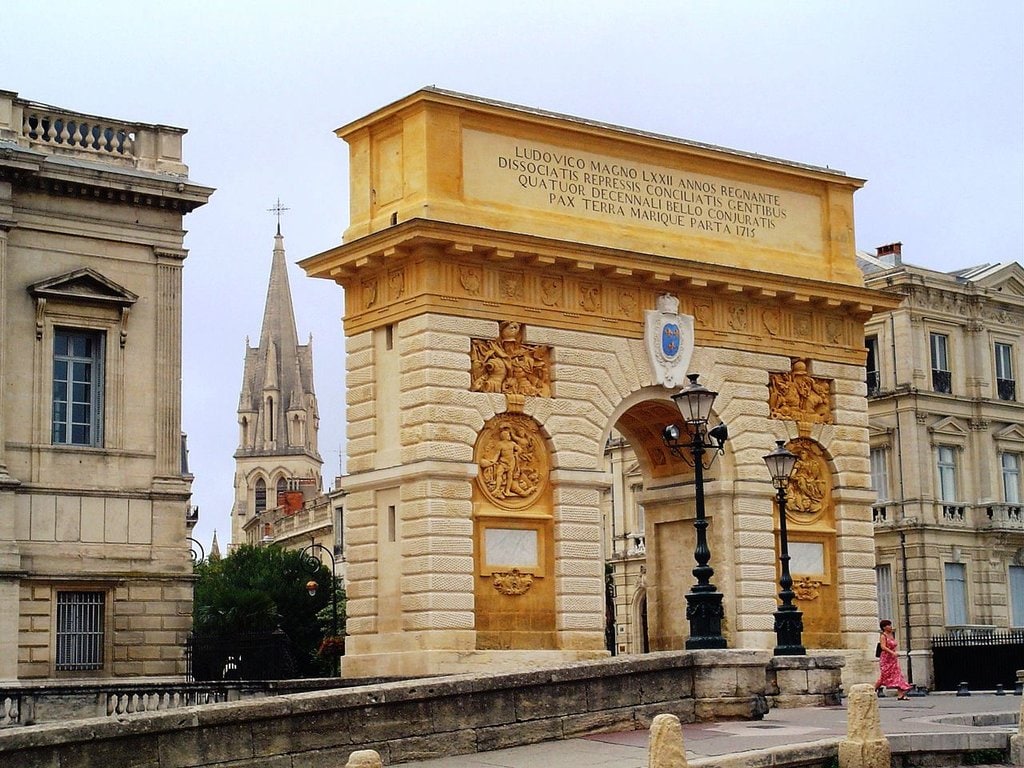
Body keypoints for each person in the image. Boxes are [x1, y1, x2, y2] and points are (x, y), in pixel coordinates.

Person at [874, 619, 912, 699]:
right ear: (884, 627)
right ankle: (872, 690)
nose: (891, 627)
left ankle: (901, 695)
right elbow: (883, 647)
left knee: (898, 675)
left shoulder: (891, 635)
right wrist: (892, 653)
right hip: (886, 659)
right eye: (889, 625)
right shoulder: (883, 636)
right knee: (884, 676)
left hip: (893, 659)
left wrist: (894, 653)